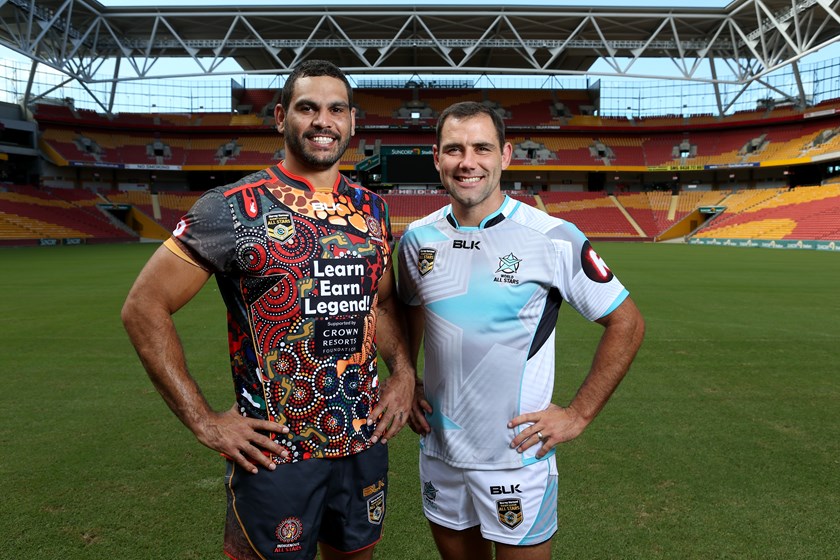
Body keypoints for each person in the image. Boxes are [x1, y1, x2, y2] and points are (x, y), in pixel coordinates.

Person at [122, 59, 415, 560]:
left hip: (363, 441)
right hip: (277, 452)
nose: (323, 120)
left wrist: (404, 371)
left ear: (351, 121)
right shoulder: (231, 208)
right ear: (281, 117)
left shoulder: (372, 208)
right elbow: (144, 305)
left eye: (336, 109)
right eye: (308, 108)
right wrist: (204, 421)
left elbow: (382, 301)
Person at [397, 101, 645, 560]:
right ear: (437, 158)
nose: (467, 162)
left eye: (481, 148)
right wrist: (406, 377)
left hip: (518, 456)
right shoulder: (416, 239)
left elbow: (626, 321)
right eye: (454, 149)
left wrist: (578, 414)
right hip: (440, 450)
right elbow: (411, 307)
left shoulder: (553, 237)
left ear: (506, 155)